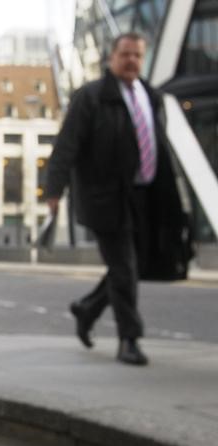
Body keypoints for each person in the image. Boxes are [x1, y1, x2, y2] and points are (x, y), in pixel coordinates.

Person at [45, 33, 192, 366]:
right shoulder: (92, 97)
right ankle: (129, 339)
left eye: (137, 56)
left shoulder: (151, 97)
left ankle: (87, 309)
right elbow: (67, 146)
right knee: (124, 266)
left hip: (144, 197)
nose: (131, 61)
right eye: (125, 54)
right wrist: (53, 191)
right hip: (105, 199)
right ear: (111, 57)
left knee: (128, 267)